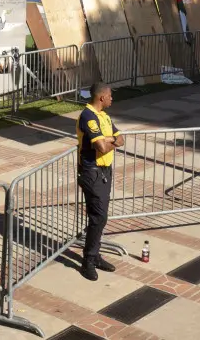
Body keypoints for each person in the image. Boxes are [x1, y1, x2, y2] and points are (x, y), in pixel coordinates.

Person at [76, 81, 123, 281]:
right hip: (91, 172)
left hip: (104, 171)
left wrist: (108, 141)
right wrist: (109, 142)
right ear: (101, 97)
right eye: (110, 96)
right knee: (98, 217)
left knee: (99, 217)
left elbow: (120, 138)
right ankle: (88, 261)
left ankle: (94, 255)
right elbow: (102, 147)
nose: (112, 99)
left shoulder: (104, 116)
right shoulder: (88, 116)